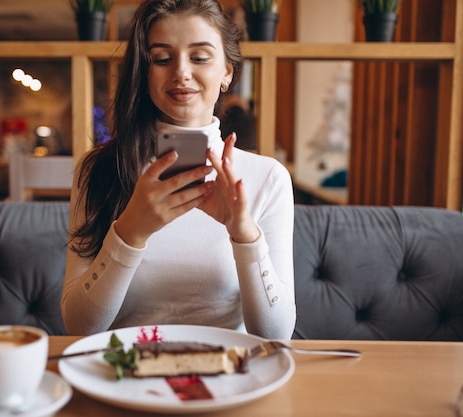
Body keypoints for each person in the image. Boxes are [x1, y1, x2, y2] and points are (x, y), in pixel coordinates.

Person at [61, 0, 295, 339]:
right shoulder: (100, 169)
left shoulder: (267, 178)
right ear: (144, 72)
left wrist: (244, 233)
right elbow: (78, 326)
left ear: (227, 71)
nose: (181, 72)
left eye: (199, 57)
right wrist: (130, 232)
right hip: (124, 379)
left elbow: (276, 336)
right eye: (162, 58)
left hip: (228, 379)